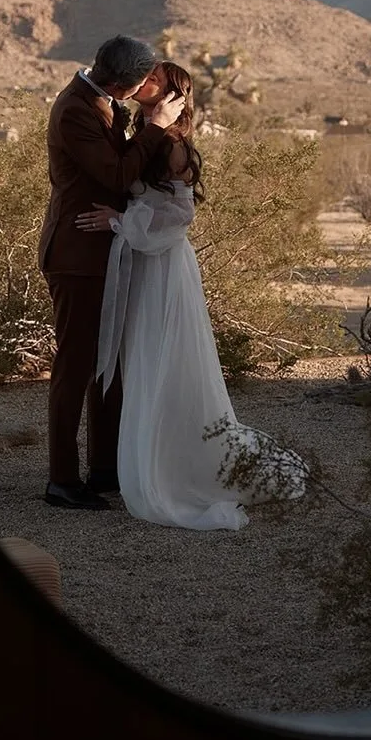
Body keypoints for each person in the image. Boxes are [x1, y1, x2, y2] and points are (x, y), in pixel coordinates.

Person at [76, 61, 309, 530]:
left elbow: (179, 217)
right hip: (142, 261)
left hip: (163, 265)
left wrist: (119, 222)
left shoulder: (173, 146)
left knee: (163, 356)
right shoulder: (143, 134)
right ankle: (147, 453)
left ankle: (178, 466)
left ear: (174, 96)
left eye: (155, 80)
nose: (144, 82)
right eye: (145, 76)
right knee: (143, 357)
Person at [38, 36, 186, 510]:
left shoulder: (102, 102)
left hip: (108, 251)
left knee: (109, 364)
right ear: (124, 85)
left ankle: (105, 467)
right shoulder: (75, 111)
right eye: (143, 83)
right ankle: (62, 480)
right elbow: (117, 175)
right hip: (76, 255)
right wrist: (157, 127)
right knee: (76, 365)